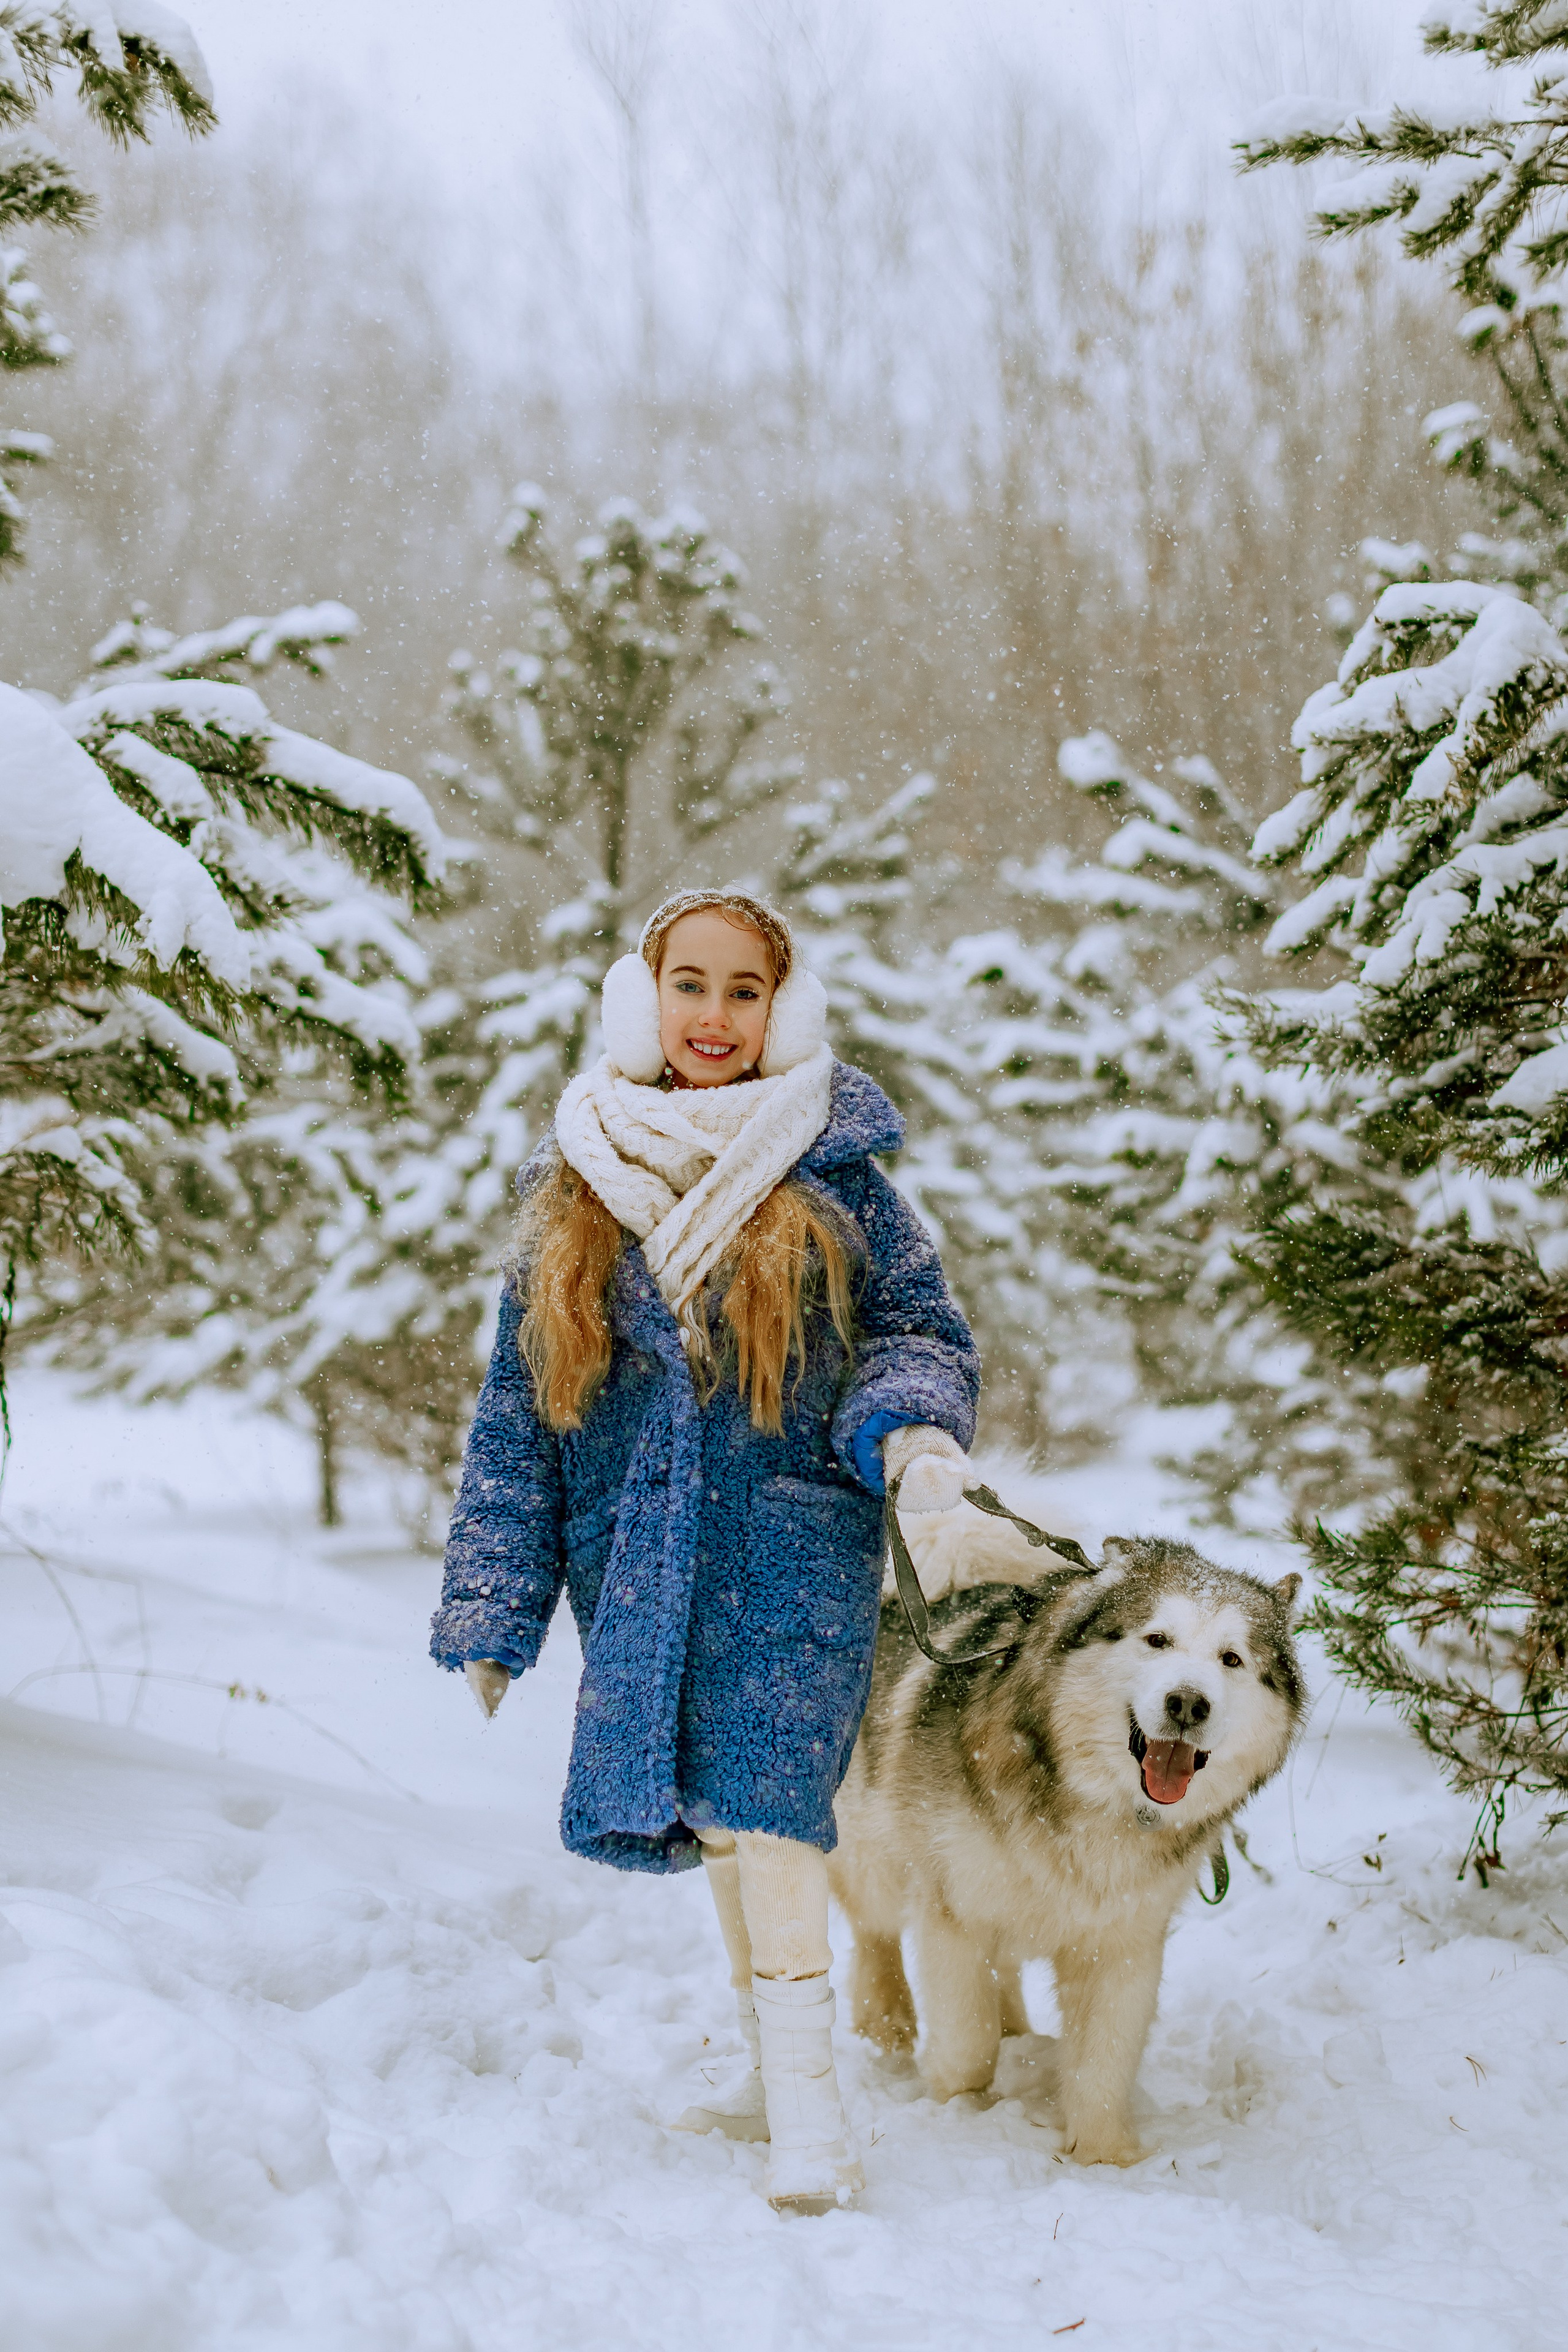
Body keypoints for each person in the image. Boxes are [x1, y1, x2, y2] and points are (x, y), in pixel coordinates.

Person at [429, 888, 979, 2213]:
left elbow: (917, 1328)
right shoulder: (572, 1182)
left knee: (768, 1817)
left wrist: (909, 1435)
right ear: (645, 995)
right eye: (691, 985)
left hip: (791, 1547)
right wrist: (497, 1603)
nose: (714, 1016)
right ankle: (760, 2065)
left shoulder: (840, 1177)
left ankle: (812, 2122)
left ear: (782, 1007)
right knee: (716, 1832)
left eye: (745, 990)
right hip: (640, 1560)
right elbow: (520, 1412)